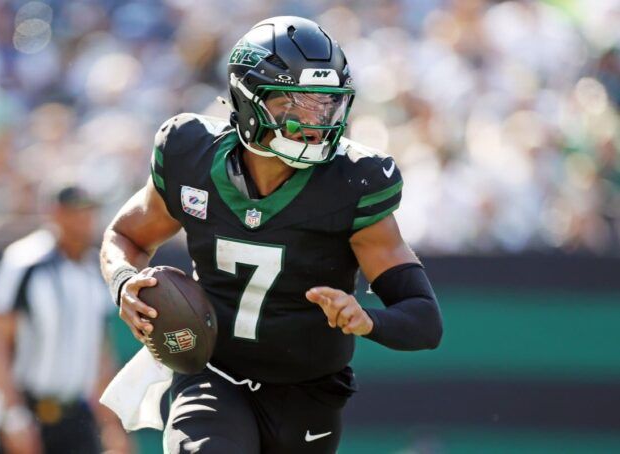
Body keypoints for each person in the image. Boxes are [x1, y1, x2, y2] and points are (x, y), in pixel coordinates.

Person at [101, 16, 443, 454]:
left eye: (325, 105)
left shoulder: (353, 182)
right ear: (248, 100)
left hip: (308, 393)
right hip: (213, 374)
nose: (315, 121)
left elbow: (424, 320)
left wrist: (368, 319)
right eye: (294, 104)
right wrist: (123, 281)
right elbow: (126, 236)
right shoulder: (190, 155)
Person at [0, 185, 132, 454]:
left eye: (89, 213)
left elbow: (100, 353)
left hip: (74, 414)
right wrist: (13, 413)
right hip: (26, 408)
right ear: (56, 214)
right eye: (76, 213)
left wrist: (111, 424)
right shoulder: (25, 262)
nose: (85, 221)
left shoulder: (95, 270)